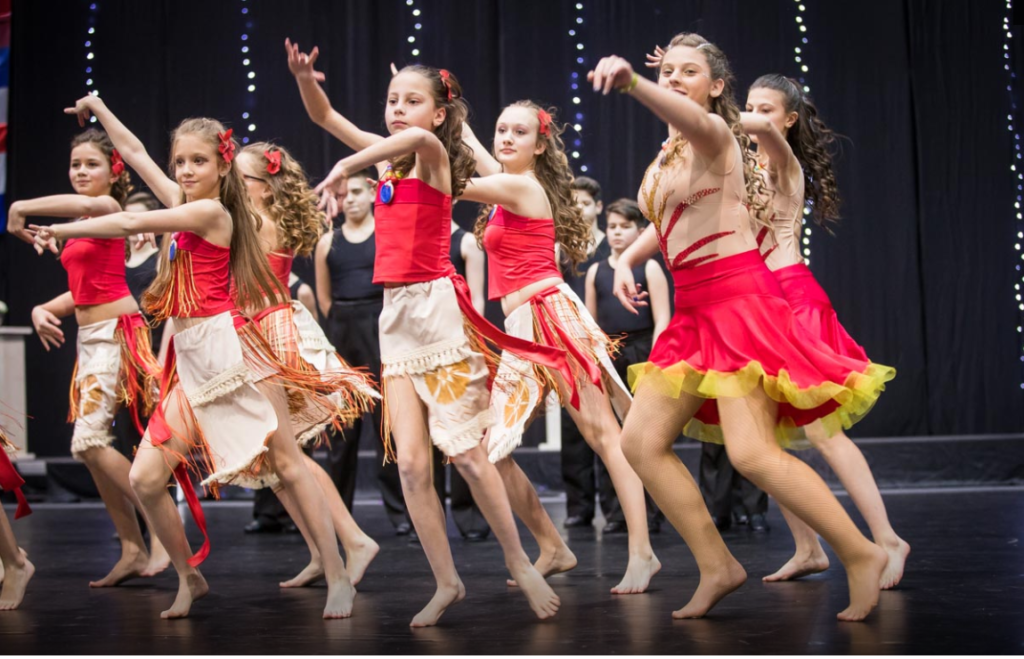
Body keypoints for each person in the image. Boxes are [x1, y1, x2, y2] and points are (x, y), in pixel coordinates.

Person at [589, 32, 894, 621]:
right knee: (640, 443)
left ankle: (861, 552)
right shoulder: (669, 152)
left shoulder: (716, 132)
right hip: (692, 311)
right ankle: (717, 566)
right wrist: (626, 261)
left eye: (689, 71)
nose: (676, 78)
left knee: (752, 454)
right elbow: (667, 218)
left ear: (717, 87)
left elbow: (696, 122)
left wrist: (635, 83)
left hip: (738, 303)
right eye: (669, 69)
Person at [36, 95, 357, 619]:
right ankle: (190, 576)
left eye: (198, 161)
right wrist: (100, 107)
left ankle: (339, 574)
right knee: (144, 479)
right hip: (191, 363)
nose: (185, 170)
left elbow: (124, 225)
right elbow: (136, 152)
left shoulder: (213, 211)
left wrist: (60, 229)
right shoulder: (182, 201)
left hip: (235, 351)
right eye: (180, 161)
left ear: (222, 166)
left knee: (287, 463)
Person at [288, 39, 559, 626]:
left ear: (439, 114)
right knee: (411, 465)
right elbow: (325, 116)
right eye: (392, 100)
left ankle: (520, 561)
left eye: (412, 101)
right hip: (395, 319)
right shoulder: (386, 162)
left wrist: (345, 165)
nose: (397, 110)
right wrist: (306, 79)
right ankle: (447, 582)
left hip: (437, 313)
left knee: (467, 454)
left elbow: (410, 141)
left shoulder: (432, 154)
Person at [460, 103, 659, 594]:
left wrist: (408, 149)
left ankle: (642, 553)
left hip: (550, 316)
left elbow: (449, 183)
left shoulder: (524, 187)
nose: (506, 138)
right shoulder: (507, 182)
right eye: (501, 129)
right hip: (520, 327)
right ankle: (552, 547)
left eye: (519, 132)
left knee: (604, 435)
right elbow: (474, 147)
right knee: (491, 450)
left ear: (539, 145)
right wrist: (446, 112)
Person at [740, 73, 909, 587]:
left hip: (794, 301)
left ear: (789, 119)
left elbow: (763, 137)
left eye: (766, 109)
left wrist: (711, 111)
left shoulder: (784, 161)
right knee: (762, 441)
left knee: (823, 432)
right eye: (749, 106)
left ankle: (888, 540)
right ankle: (808, 548)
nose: (754, 117)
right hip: (755, 306)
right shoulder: (740, 165)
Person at [9, 129, 170, 587]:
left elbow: (84, 207)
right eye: (75, 164)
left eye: (91, 164)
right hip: (92, 337)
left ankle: (161, 528)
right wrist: (43, 308)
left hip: (116, 334)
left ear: (114, 172)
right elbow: (85, 290)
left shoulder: (108, 208)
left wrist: (21, 207)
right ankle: (132, 548)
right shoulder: (85, 221)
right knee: (93, 451)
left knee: (89, 444)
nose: (80, 171)